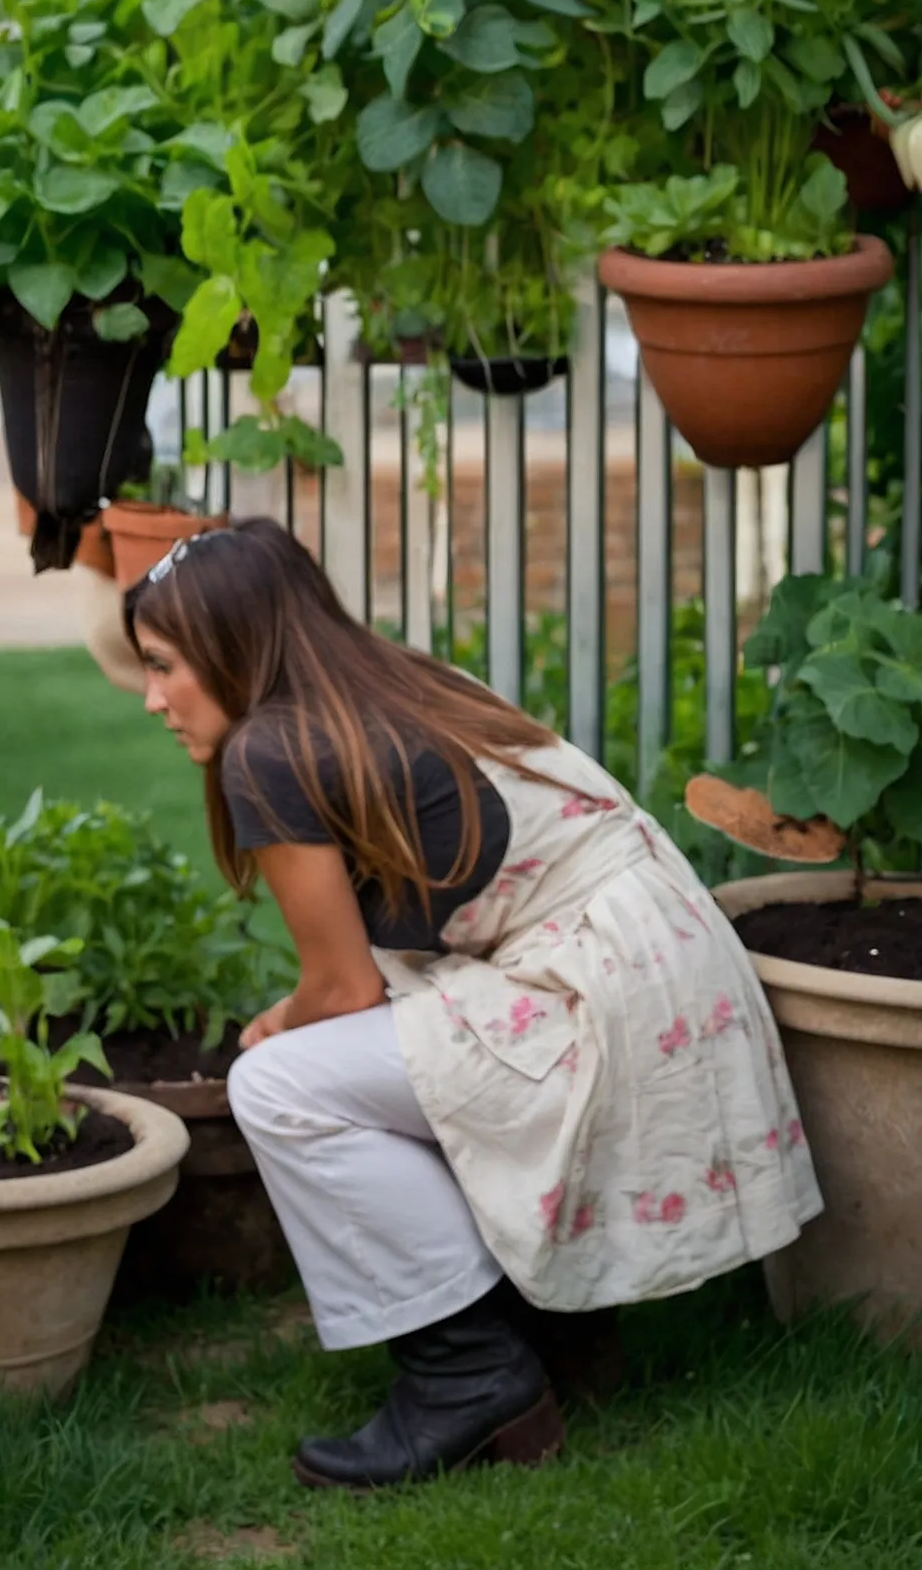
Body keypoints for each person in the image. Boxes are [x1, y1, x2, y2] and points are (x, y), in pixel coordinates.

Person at [126, 518, 822, 1492]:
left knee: (280, 1085)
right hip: (659, 964)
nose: (153, 698)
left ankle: (466, 1373)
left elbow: (342, 988)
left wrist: (280, 1020)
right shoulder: (386, 683)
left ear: (231, 646)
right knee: (394, 1015)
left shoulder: (269, 750)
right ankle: (555, 1331)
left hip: (604, 991)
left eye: (164, 666)